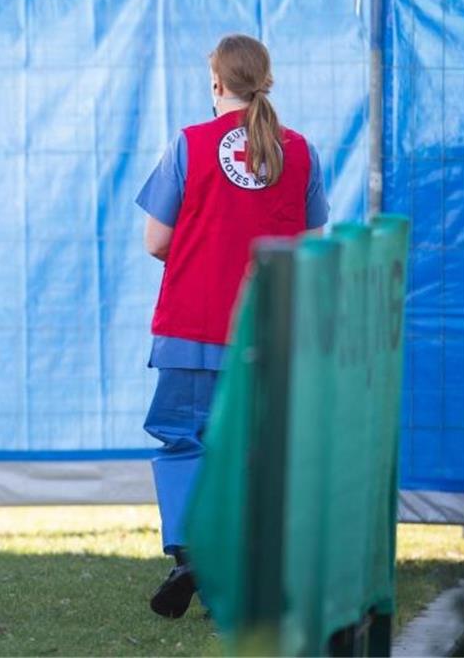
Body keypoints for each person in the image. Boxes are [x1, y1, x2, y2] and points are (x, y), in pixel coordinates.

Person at [136, 34, 329, 619]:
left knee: (185, 443)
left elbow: (157, 241)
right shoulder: (301, 151)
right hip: (269, 332)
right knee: (254, 453)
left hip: (191, 324)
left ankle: (193, 550)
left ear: (216, 83)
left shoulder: (189, 145)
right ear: (265, 81)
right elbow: (313, 247)